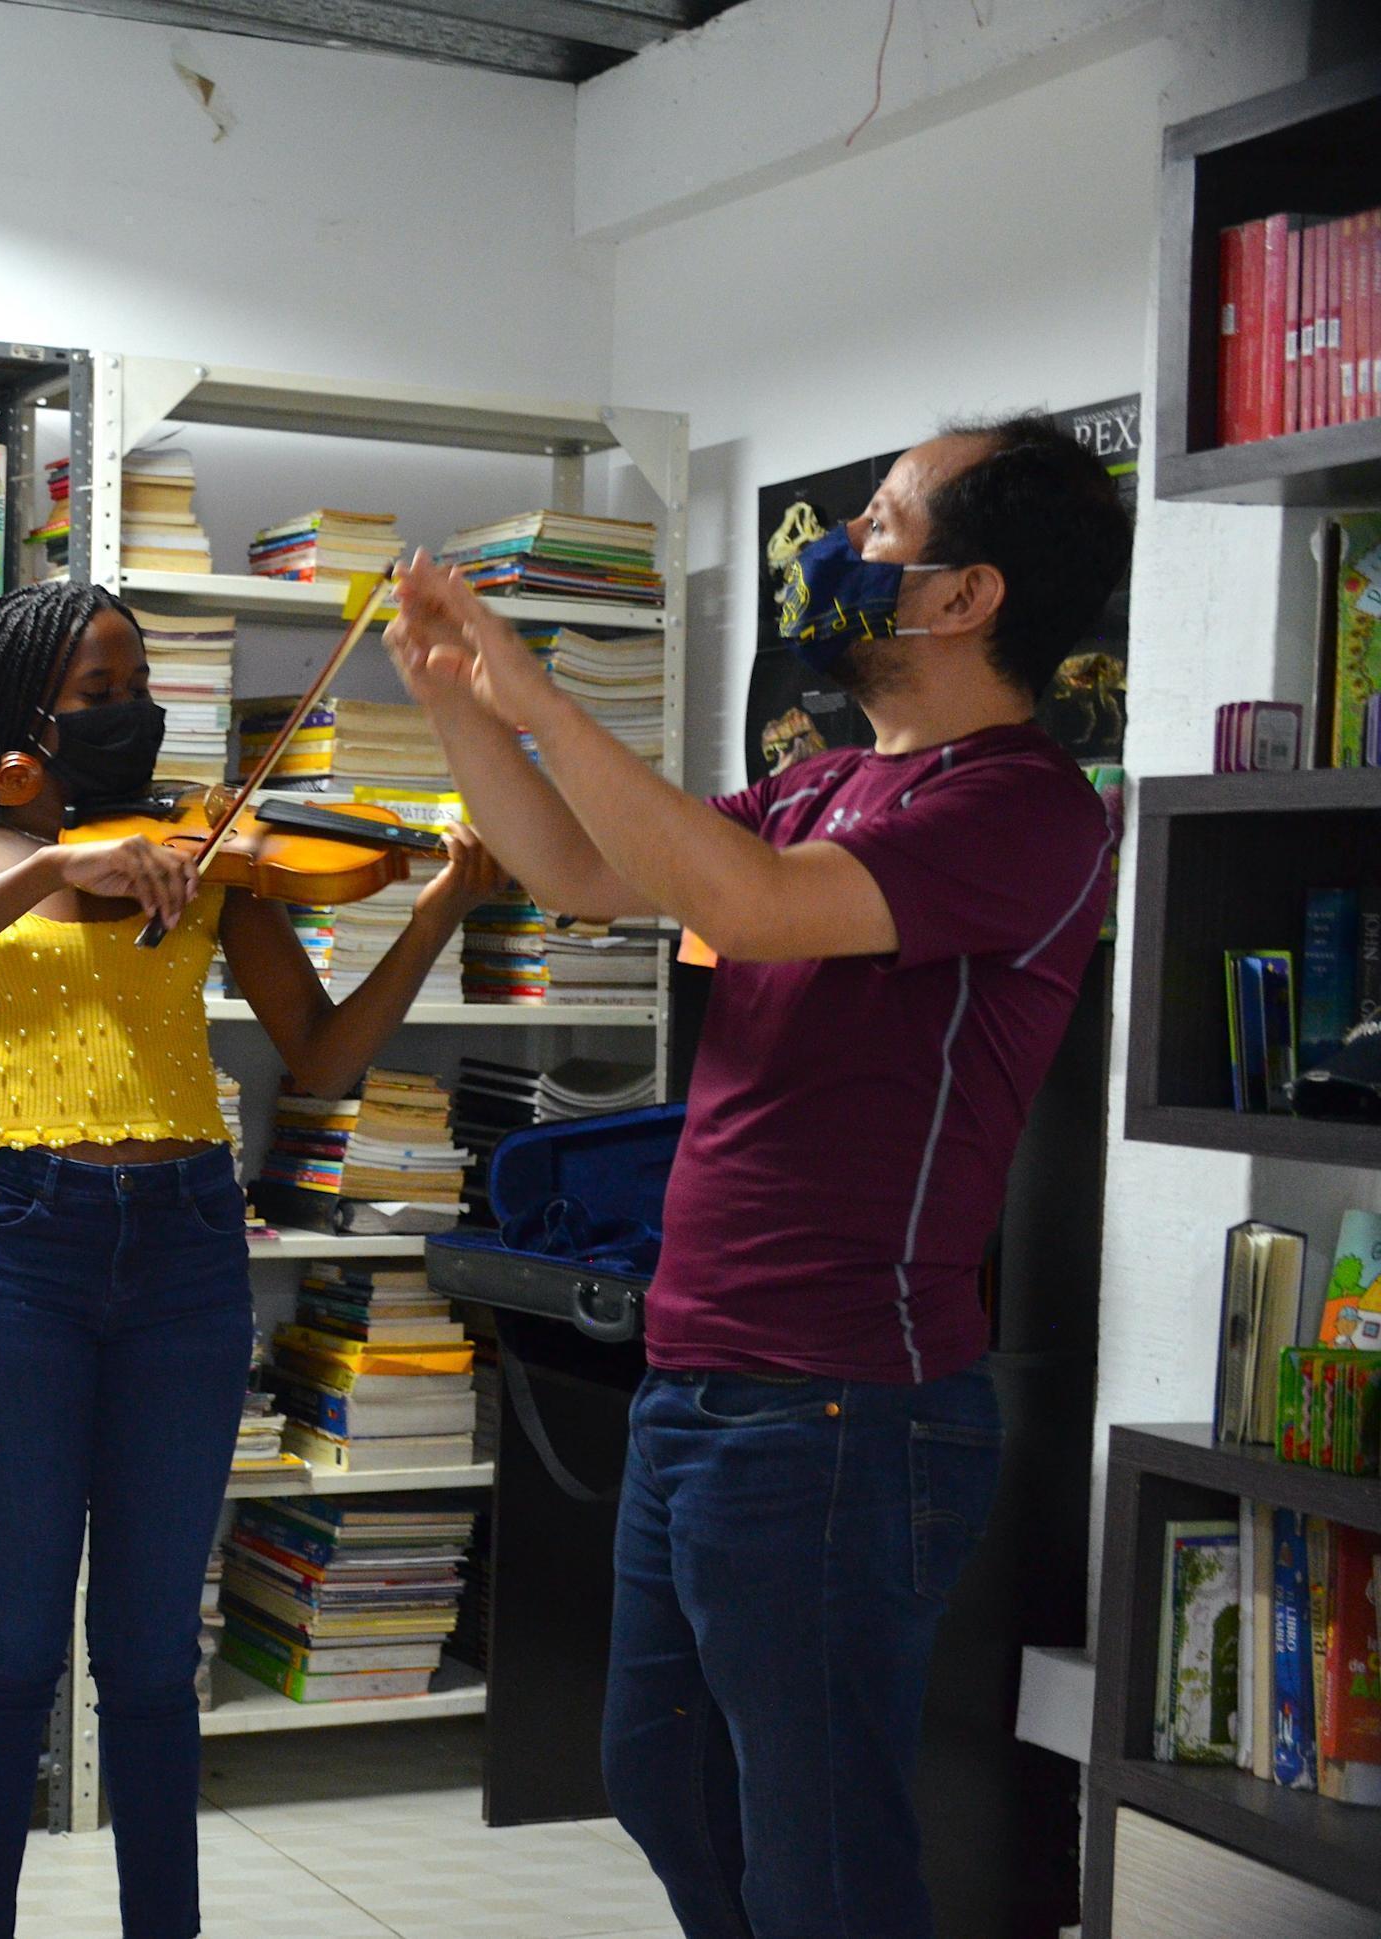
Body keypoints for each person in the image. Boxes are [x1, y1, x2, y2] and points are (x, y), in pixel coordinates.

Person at [380, 417, 1132, 1939]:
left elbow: (750, 909)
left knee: (822, 1844)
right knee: (661, 1776)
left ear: (962, 595)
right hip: (704, 1376)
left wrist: (538, 681)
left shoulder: (1028, 807)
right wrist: (462, 705)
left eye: (879, 523)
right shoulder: (823, 786)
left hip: (843, 1405)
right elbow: (588, 874)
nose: (836, 552)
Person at [0, 580, 500, 1939]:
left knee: (148, 1658)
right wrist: (45, 867)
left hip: (190, 1250)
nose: (131, 709)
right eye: (97, 687)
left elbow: (319, 1056)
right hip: (20, 1247)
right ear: (27, 707)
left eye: (141, 682)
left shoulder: (200, 849)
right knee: (12, 1642)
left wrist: (435, 914)